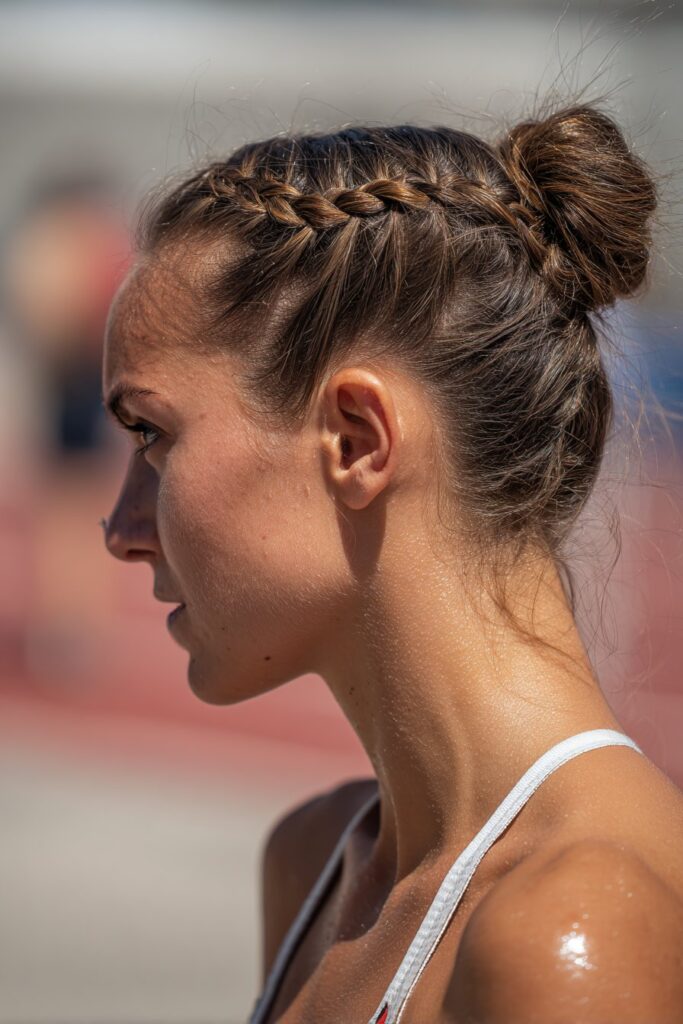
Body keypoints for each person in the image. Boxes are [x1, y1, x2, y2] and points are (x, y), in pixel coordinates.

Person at [100, 98, 683, 1023]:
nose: (121, 527)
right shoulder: (315, 864)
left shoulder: (571, 932)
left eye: (151, 434)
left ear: (358, 439)